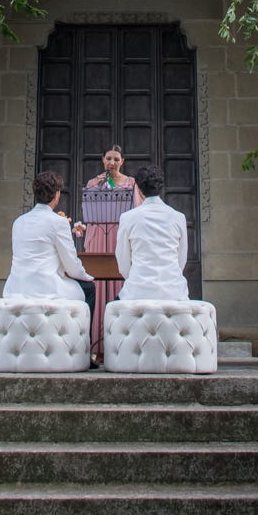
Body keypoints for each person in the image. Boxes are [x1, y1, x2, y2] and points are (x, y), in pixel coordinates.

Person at [4, 170, 96, 317]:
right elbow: (71, 264)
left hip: (15, 288)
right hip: (45, 287)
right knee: (89, 288)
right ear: (57, 194)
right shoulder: (58, 222)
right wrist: (86, 276)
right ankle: (83, 339)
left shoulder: (18, 222)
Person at [83, 144, 143, 358]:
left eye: (116, 159)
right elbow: (88, 208)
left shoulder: (131, 183)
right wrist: (98, 186)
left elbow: (138, 210)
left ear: (122, 161)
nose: (112, 163)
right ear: (103, 160)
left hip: (120, 234)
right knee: (98, 285)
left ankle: (119, 343)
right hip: (99, 233)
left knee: (119, 281)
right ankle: (97, 347)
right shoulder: (93, 183)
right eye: (109, 158)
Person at [115, 163, 189, 300]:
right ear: (160, 186)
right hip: (174, 292)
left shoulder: (127, 218)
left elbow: (123, 263)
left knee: (111, 309)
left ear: (137, 187)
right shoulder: (179, 217)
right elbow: (181, 260)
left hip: (137, 291)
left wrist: (136, 279)